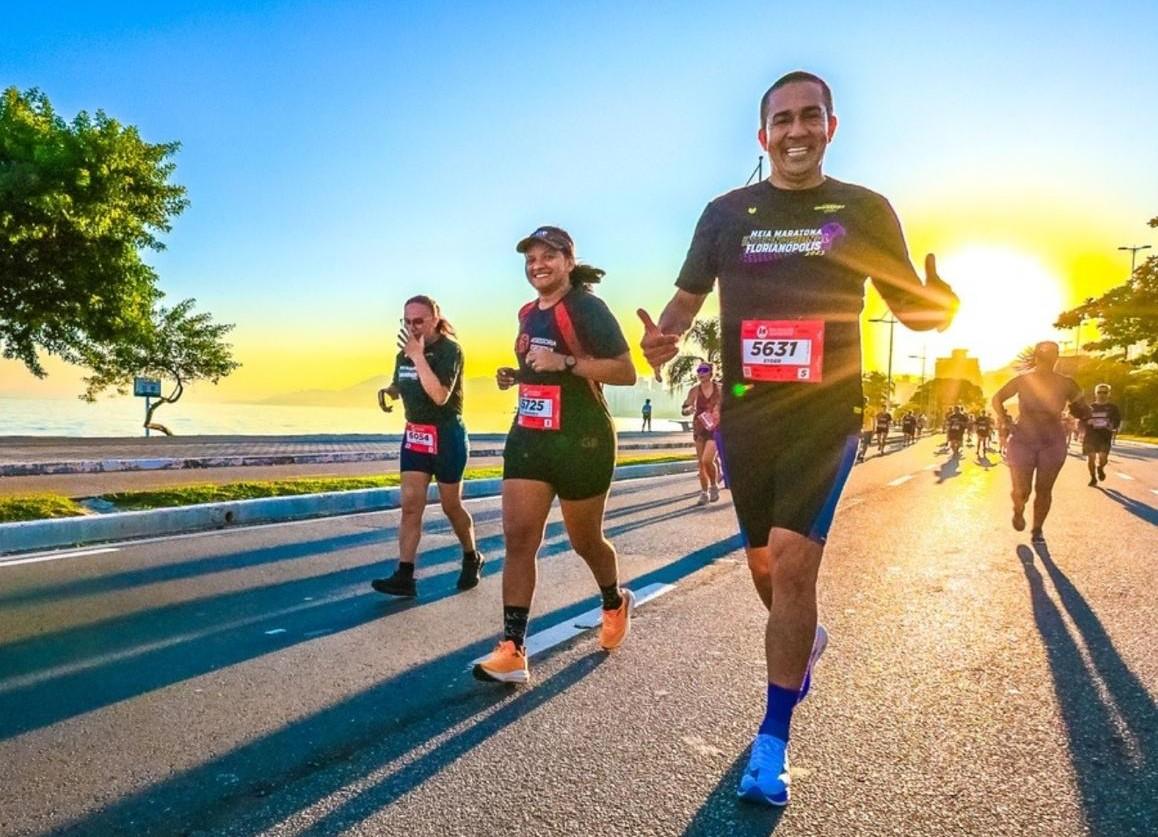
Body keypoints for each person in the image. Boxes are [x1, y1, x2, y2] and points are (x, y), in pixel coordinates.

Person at [638, 71, 957, 807]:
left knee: (792, 567)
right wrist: (664, 341)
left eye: (810, 116)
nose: (795, 130)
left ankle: (772, 741)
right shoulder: (726, 213)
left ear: (831, 126)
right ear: (763, 135)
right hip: (748, 415)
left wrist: (945, 300)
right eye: (782, 120)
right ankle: (802, 639)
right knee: (764, 569)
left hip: (825, 413)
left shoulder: (866, 209)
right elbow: (683, 305)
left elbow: (915, 311)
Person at [473, 226, 638, 684]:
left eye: (548, 256)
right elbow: (539, 368)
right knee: (519, 539)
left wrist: (566, 363)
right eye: (530, 259)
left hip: (583, 440)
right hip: (530, 436)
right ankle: (512, 648)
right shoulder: (527, 312)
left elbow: (626, 372)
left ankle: (613, 600)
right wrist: (519, 376)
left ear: (568, 261)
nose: (537, 265)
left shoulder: (588, 307)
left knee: (585, 541)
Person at [371, 295, 483, 598]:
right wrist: (390, 391)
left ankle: (471, 556)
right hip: (416, 435)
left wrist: (419, 356)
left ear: (435, 319)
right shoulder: (403, 354)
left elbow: (439, 396)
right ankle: (404, 575)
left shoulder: (450, 350)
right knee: (410, 506)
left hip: (446, 435)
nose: (412, 327)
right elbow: (404, 382)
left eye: (418, 321)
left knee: (451, 505)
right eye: (406, 321)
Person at [992, 341, 1089, 542]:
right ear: (1036, 358)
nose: (1048, 360)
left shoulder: (1067, 383)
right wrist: (1004, 417)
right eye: (1045, 356)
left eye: (1053, 356)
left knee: (1044, 489)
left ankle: (1037, 530)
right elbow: (997, 398)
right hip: (1023, 439)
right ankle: (1019, 509)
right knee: (1022, 490)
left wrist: (1081, 410)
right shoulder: (1023, 381)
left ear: (1057, 359)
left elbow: (1082, 407)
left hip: (1052, 440)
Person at [682, 363, 723, 505]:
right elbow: (686, 406)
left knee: (707, 460)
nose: (701, 373)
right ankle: (704, 492)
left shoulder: (720, 389)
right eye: (699, 371)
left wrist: (719, 411)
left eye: (704, 370)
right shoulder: (695, 390)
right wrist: (688, 409)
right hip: (700, 428)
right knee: (701, 463)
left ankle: (714, 485)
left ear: (711, 373)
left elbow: (730, 405)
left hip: (716, 429)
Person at [1083, 383, 1122, 486]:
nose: (1102, 394)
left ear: (1108, 394)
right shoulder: (1090, 407)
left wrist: (1112, 425)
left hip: (1104, 437)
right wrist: (1087, 422)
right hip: (1090, 436)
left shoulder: (1113, 408)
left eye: (1104, 392)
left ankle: (1100, 468)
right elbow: (1082, 421)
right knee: (1091, 458)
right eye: (1099, 392)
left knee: (1103, 458)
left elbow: (1117, 420)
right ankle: (1093, 478)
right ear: (1095, 394)